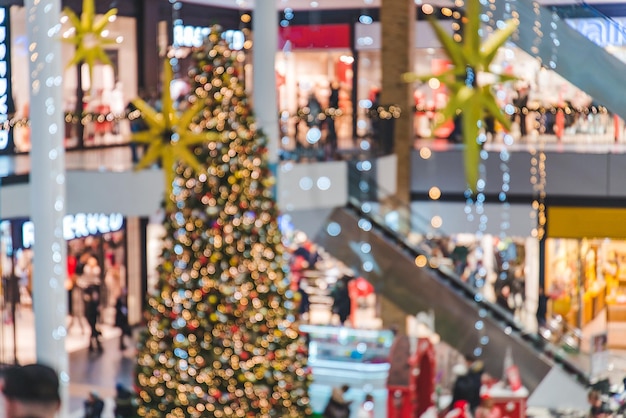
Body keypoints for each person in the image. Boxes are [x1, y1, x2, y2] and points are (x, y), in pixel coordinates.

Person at [84, 285, 103, 353]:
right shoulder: (91, 304)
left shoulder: (94, 303)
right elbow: (90, 312)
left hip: (93, 319)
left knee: (92, 332)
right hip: (91, 319)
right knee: (93, 331)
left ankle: (91, 346)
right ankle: (97, 346)